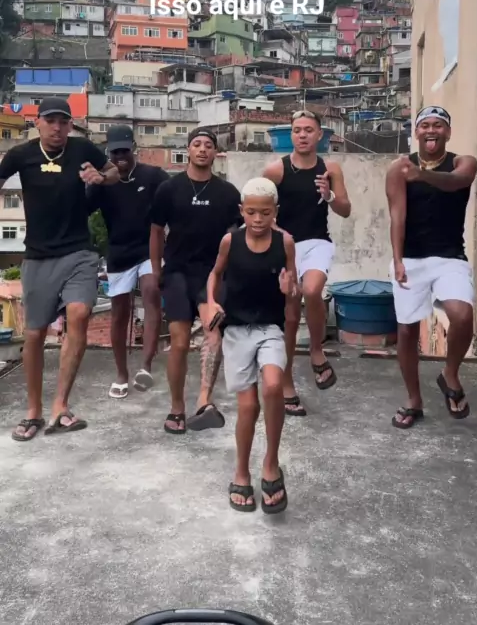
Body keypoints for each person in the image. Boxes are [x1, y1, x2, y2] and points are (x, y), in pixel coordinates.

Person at [0, 97, 120, 442]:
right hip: (38, 256)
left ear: (70, 125)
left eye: (63, 122)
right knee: (34, 334)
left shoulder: (82, 148)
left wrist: (101, 177)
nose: (56, 127)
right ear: (37, 122)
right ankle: (33, 411)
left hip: (79, 251)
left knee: (79, 313)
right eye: (50, 121)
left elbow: (114, 172)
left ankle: (60, 406)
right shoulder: (21, 154)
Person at [205, 177, 298, 514]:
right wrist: (212, 302)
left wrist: (290, 290)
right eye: (252, 212)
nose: (258, 219)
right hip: (236, 330)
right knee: (247, 407)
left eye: (265, 213)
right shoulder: (230, 241)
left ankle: (271, 464)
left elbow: (294, 289)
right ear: (242, 211)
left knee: (273, 385)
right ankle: (241, 471)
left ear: (276, 212)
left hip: (270, 328)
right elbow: (215, 274)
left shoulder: (285, 242)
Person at [386, 105, 477, 429]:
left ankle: (449, 373)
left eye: (438, 125)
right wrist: (398, 259)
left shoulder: (464, 162)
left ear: (448, 132)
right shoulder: (399, 169)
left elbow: (457, 182)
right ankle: (414, 400)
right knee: (407, 330)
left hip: (449, 257)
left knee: (462, 315)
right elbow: (397, 216)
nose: (431, 130)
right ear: (416, 132)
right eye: (425, 125)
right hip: (411, 258)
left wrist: (422, 174)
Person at [150, 127, 242, 434]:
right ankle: (177, 408)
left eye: (208, 145)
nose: (203, 149)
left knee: (213, 333)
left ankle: (204, 401)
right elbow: (156, 231)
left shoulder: (228, 193)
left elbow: (237, 236)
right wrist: (156, 270)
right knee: (179, 342)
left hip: (211, 275)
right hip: (177, 272)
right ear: (188, 150)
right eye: (197, 144)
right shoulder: (169, 189)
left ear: (215, 152)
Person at [263, 110, 351, 416]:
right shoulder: (276, 170)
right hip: (286, 244)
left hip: (317, 242)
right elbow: (259, 209)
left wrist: (329, 195)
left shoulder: (330, 168)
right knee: (289, 316)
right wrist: (277, 234)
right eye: (297, 130)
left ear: (319, 135)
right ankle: (287, 385)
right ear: (291, 134)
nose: (302, 135)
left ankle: (316, 350)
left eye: (308, 130)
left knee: (312, 291)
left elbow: (345, 209)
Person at [86, 125, 169, 399]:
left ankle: (145, 367)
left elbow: (175, 199)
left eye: (124, 150)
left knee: (151, 291)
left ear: (133, 148)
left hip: (149, 248)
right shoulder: (102, 184)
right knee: (119, 312)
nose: (120, 156)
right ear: (108, 153)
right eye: (115, 152)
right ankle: (121, 374)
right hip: (119, 252)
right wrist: (90, 182)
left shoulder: (153, 176)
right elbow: (81, 208)